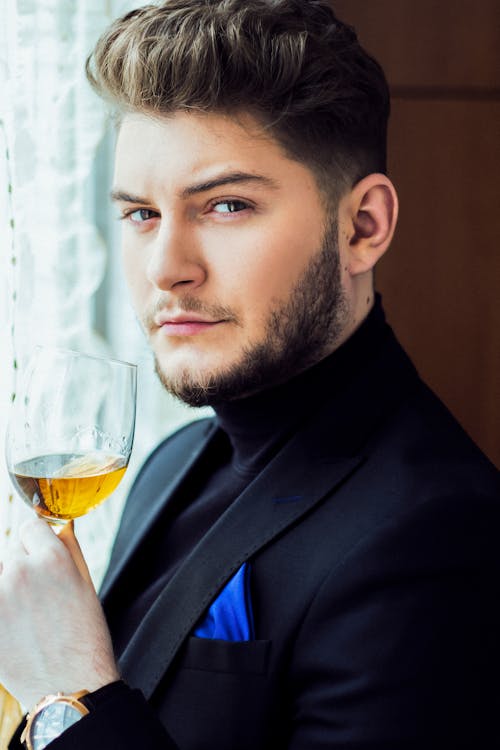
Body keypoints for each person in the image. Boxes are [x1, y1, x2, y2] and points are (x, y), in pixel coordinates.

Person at [3, 1, 499, 748]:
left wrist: (64, 692)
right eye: (140, 214)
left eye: (227, 206)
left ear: (363, 226)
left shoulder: (438, 534)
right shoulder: (170, 462)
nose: (167, 268)